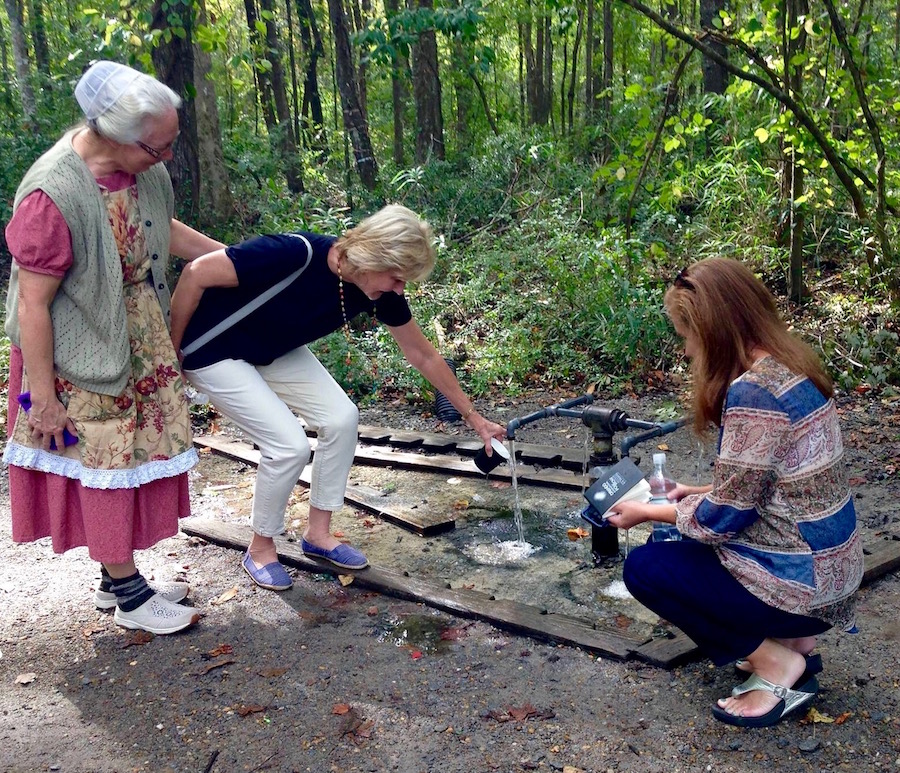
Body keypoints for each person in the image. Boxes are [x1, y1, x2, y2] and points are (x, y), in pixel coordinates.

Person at [169, 204, 506, 591]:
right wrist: (171, 353)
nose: (400, 289)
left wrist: (474, 418)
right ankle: (260, 548)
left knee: (342, 418)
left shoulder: (375, 290)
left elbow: (423, 354)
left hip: (271, 349)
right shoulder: (294, 252)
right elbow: (196, 273)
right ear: (373, 257)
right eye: (397, 278)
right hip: (213, 350)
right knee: (288, 445)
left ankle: (319, 534)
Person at [3, 61, 225, 635]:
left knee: (133, 457)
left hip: (137, 334)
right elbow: (32, 306)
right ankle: (128, 591)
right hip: (77, 348)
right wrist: (43, 398)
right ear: (117, 136)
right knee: (100, 459)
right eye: (160, 148)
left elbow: (160, 227)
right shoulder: (52, 195)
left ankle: (113, 579)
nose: (167, 158)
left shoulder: (143, 171)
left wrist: (230, 259)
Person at [606, 257, 863, 728]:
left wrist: (647, 511)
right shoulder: (794, 368)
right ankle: (795, 644)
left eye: (686, 334)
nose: (685, 350)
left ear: (712, 329)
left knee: (648, 566)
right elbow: (771, 484)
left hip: (803, 588)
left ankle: (776, 664)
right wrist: (690, 490)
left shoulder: (754, 392)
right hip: (834, 578)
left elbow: (719, 519)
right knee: (686, 537)